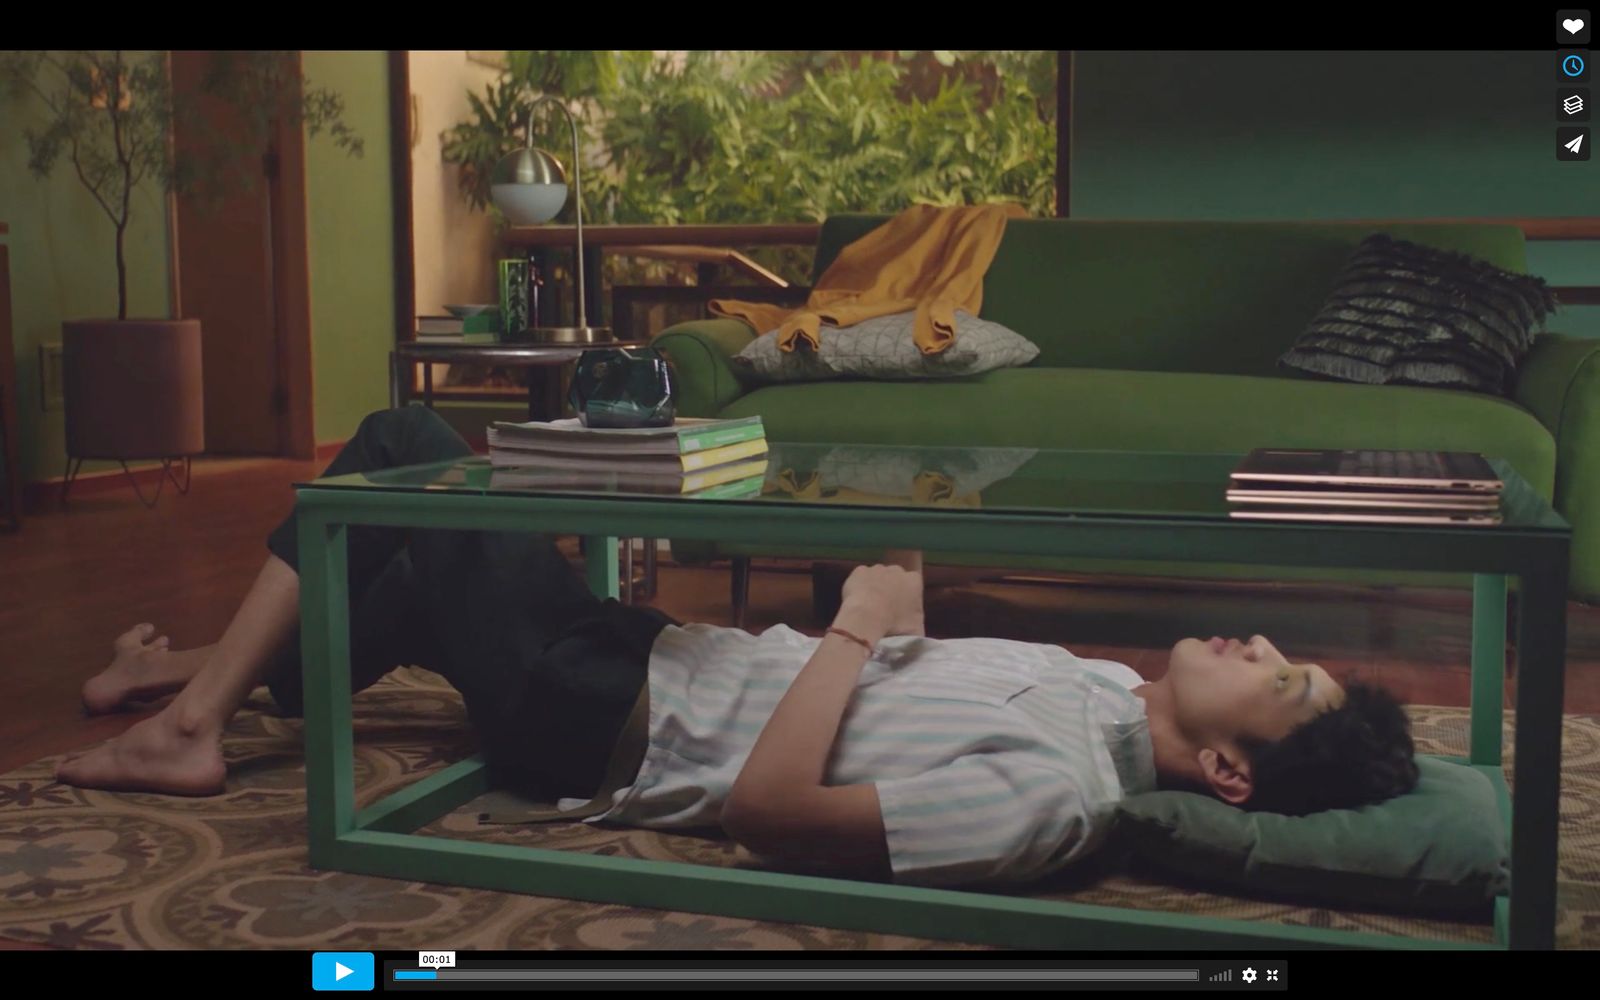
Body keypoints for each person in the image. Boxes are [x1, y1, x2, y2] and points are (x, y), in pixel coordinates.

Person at [57, 407, 1420, 888]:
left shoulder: (1057, 800)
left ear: (1232, 773)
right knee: (406, 570)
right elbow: (914, 685)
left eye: (1279, 675)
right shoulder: (1100, 694)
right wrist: (903, 622)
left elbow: (774, 814)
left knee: (406, 449)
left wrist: (855, 627)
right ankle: (198, 675)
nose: (1258, 639)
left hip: (585, 717)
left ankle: (187, 726)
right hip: (644, 646)